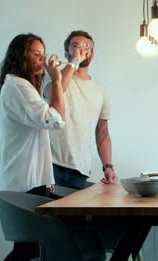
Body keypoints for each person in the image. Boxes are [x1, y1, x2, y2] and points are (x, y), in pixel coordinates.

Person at [0, 33, 65, 261]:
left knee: (31, 247)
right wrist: (56, 80)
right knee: (29, 248)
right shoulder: (19, 86)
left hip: (28, 178)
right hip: (24, 181)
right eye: (36, 54)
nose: (41, 59)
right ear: (20, 55)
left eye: (43, 54)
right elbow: (56, 120)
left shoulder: (21, 85)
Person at [44, 30, 117, 189]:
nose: (81, 49)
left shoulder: (100, 90)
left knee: (75, 214)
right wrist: (74, 62)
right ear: (66, 53)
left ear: (92, 55)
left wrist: (108, 166)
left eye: (87, 46)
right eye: (75, 45)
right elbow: (53, 93)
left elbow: (102, 131)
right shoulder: (53, 75)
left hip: (80, 169)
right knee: (46, 213)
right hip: (50, 164)